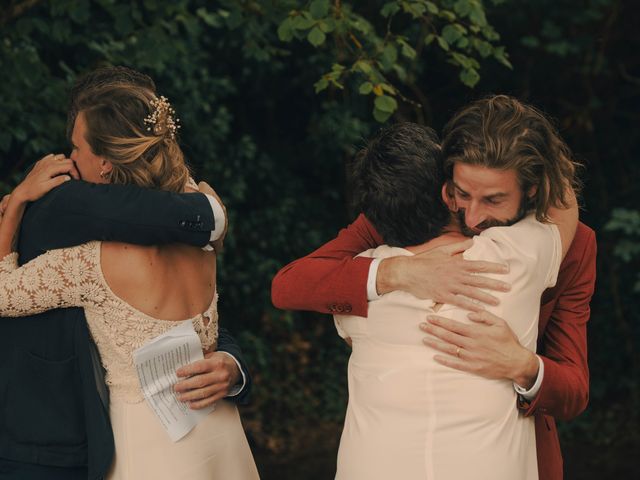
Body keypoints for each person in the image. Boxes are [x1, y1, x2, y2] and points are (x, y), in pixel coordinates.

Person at [272, 95, 597, 480]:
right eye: (461, 194)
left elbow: (574, 390)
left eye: (493, 199)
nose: (472, 216)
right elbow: (290, 285)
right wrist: (399, 273)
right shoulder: (398, 211)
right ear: (444, 184)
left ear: (530, 189)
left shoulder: (576, 245)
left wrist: (524, 366)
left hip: (518, 449)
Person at [0, 82, 259, 479]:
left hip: (151, 441)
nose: (70, 158)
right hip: (217, 431)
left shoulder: (91, 263)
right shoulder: (203, 242)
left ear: (105, 162)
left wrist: (16, 202)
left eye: (77, 147)